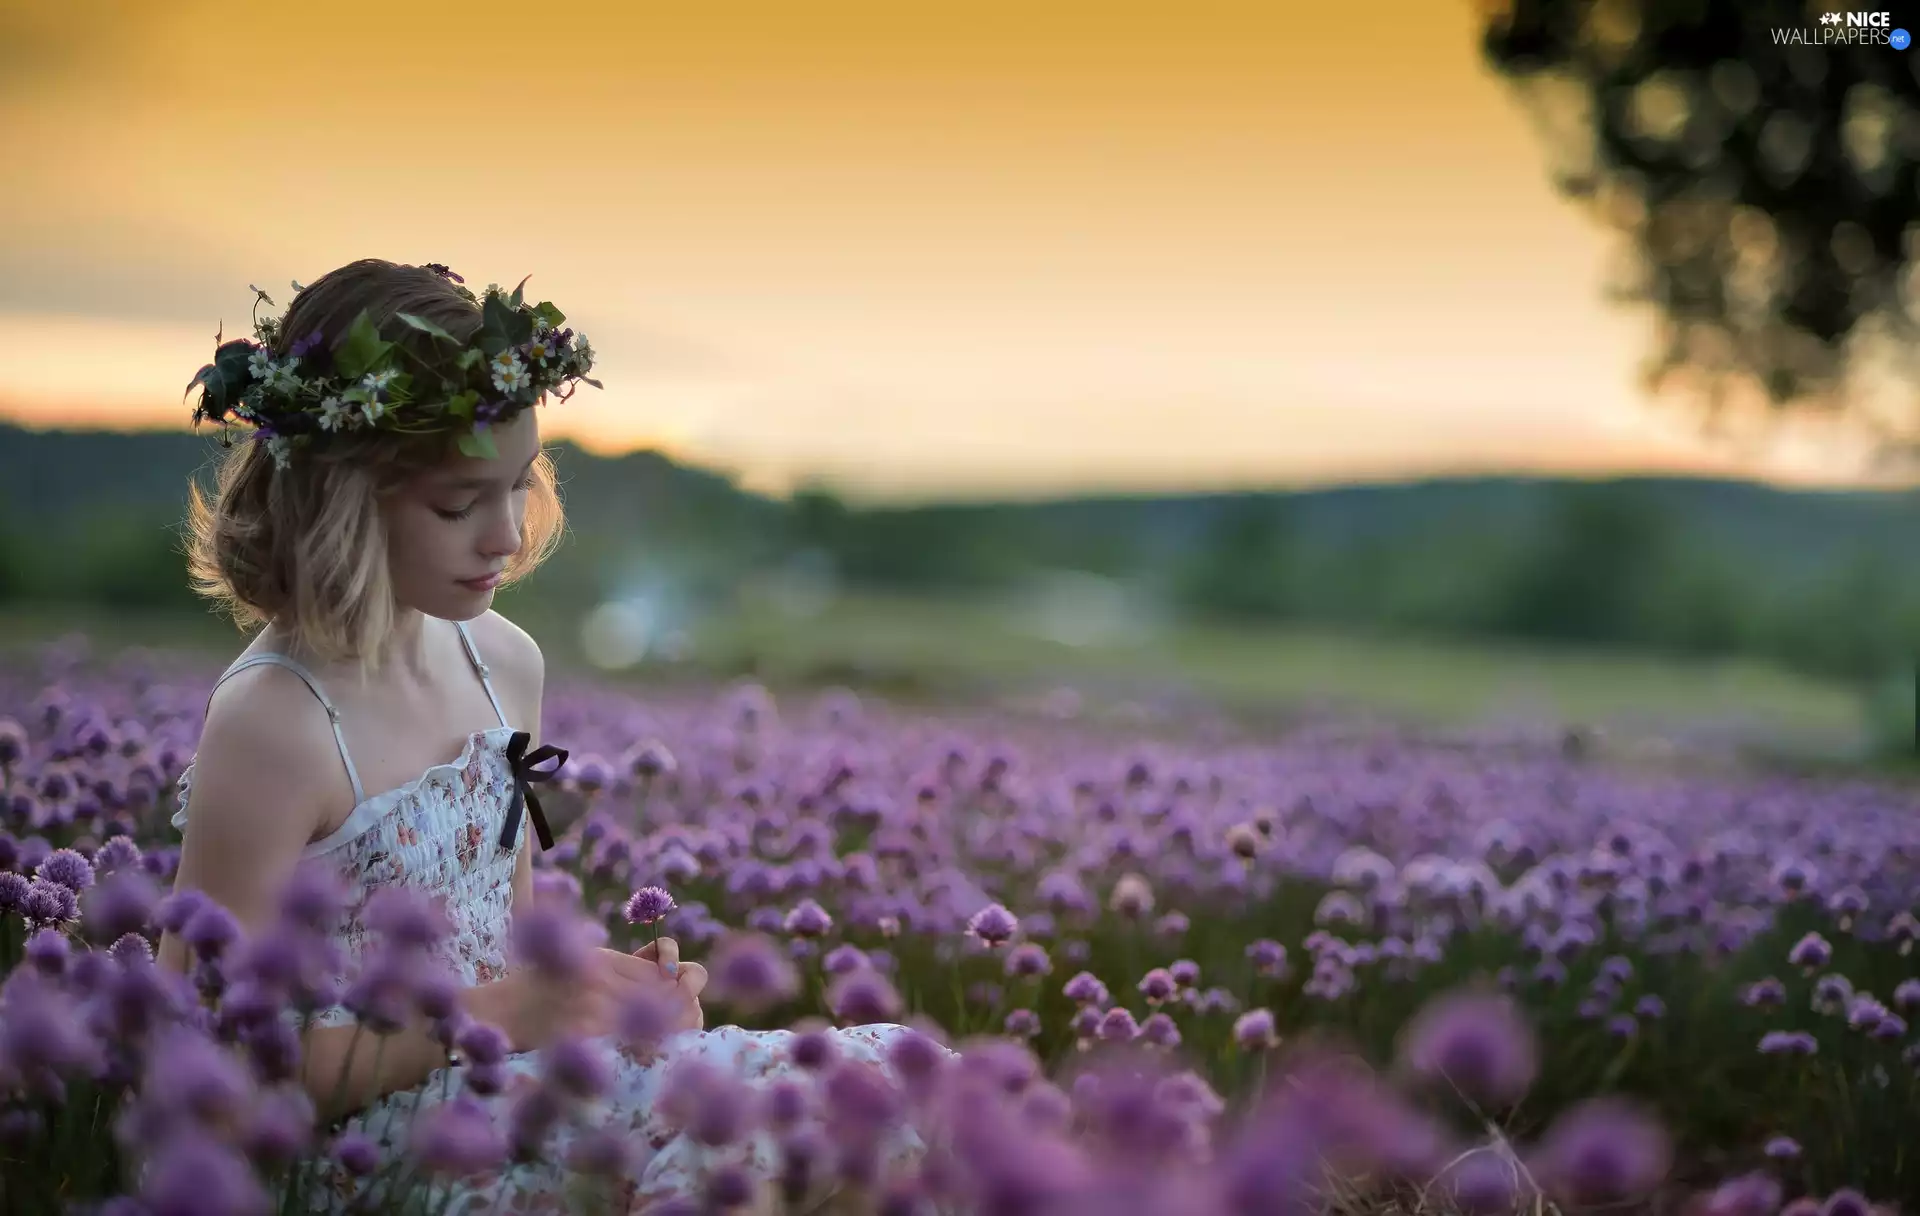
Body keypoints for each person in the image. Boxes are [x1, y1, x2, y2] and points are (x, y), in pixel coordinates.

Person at [158, 259, 929, 1212]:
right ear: (339, 498)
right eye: (458, 503)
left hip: (512, 1090)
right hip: (372, 1152)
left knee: (904, 1071)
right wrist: (495, 1015)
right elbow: (204, 1071)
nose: (505, 535)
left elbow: (513, 948)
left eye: (519, 486)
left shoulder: (503, 663)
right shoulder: (274, 722)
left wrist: (605, 995)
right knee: (775, 1135)